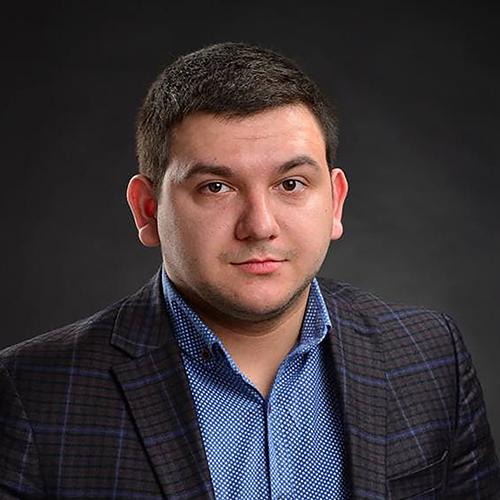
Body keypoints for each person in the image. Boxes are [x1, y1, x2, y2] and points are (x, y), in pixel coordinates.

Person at [0, 42, 498, 500]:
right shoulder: (31, 392)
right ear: (147, 210)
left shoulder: (431, 356)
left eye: (291, 184)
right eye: (216, 187)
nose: (260, 226)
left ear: (336, 201)